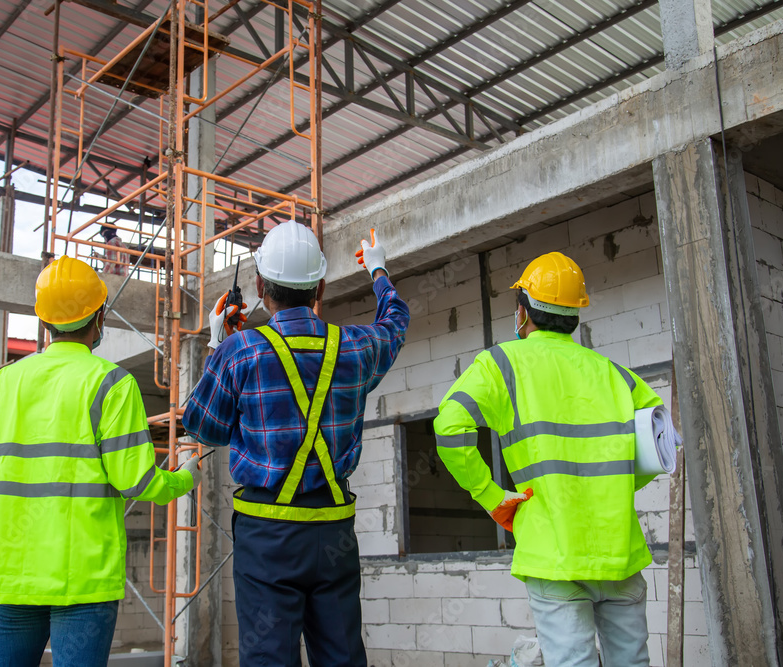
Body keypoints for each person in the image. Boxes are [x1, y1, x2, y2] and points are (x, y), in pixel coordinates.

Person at [0, 256, 201, 667]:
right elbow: (138, 482)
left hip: (14, 574)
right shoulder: (111, 383)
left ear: (44, 322)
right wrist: (183, 479)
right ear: (100, 316)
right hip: (85, 582)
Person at [183, 222, 409, 666]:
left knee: (269, 657)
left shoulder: (241, 350)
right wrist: (379, 273)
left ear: (260, 285)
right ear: (319, 286)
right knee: (341, 656)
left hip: (267, 534)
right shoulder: (355, 347)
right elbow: (395, 325)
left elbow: (202, 426)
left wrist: (218, 341)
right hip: (332, 531)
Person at [433, 251, 663, 667]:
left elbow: (449, 427)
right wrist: (611, 489)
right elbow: (661, 443)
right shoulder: (615, 373)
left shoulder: (501, 364)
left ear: (523, 313)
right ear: (576, 314)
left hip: (554, 556)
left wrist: (490, 495)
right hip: (620, 554)